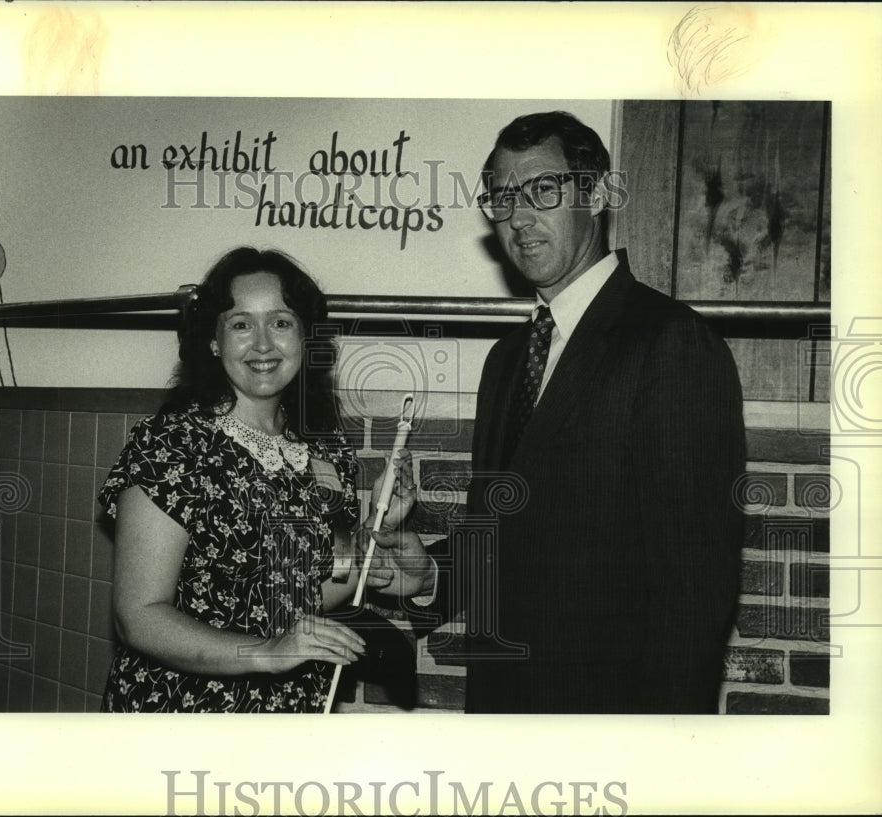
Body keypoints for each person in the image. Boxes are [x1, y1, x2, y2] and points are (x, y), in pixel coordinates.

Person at [369, 111, 746, 714]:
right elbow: (502, 542)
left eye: (544, 190)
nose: (519, 217)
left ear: (595, 194)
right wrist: (430, 575)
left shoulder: (670, 342)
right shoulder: (506, 359)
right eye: (502, 197)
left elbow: (696, 588)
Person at [97, 247, 414, 713]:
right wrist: (265, 652)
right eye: (242, 324)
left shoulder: (326, 453)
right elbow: (138, 618)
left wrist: (376, 536)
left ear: (306, 337)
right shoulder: (171, 445)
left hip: (291, 712)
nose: (263, 344)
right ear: (213, 340)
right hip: (181, 712)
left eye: (282, 322)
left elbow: (308, 596)